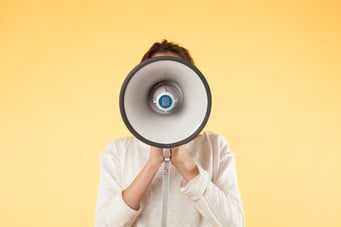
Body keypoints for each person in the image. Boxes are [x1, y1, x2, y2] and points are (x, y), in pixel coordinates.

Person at [95, 40, 245, 227]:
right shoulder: (118, 152)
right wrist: (152, 165)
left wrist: (186, 165)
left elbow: (234, 224)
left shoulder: (215, 147)